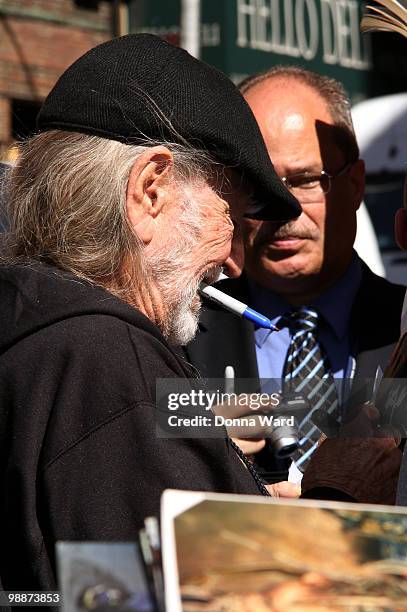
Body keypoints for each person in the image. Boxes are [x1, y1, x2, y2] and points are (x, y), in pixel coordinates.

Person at [0, 34, 302, 591]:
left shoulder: (40, 336)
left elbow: (70, 589)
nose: (235, 262)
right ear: (151, 190)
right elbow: (180, 596)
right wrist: (333, 526)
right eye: (231, 213)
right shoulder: (107, 362)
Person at [185, 66, 405, 484]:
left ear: (355, 184)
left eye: (306, 181)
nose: (282, 210)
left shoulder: (402, 326)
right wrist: (196, 440)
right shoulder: (179, 332)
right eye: (259, 185)